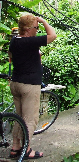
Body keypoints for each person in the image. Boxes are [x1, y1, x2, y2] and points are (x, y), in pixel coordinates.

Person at [8, 13, 57, 159]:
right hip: (29, 85)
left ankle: (15, 147)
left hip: (16, 83)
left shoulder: (15, 40)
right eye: (36, 27)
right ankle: (27, 149)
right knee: (30, 119)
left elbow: (11, 54)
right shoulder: (30, 42)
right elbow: (53, 35)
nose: (37, 30)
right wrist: (43, 20)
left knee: (20, 117)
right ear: (29, 29)